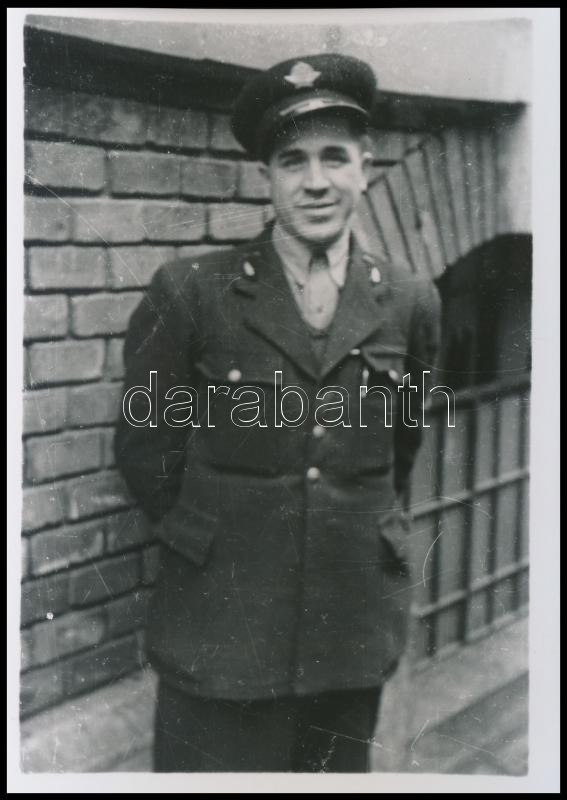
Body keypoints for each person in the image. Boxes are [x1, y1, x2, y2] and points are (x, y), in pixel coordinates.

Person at [115, 53, 441, 773]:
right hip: (222, 633)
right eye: (293, 161)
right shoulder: (191, 294)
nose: (315, 181)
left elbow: (400, 449)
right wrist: (216, 541)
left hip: (347, 632)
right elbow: (145, 452)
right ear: (266, 176)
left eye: (334, 157)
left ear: (364, 166)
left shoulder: (410, 301)